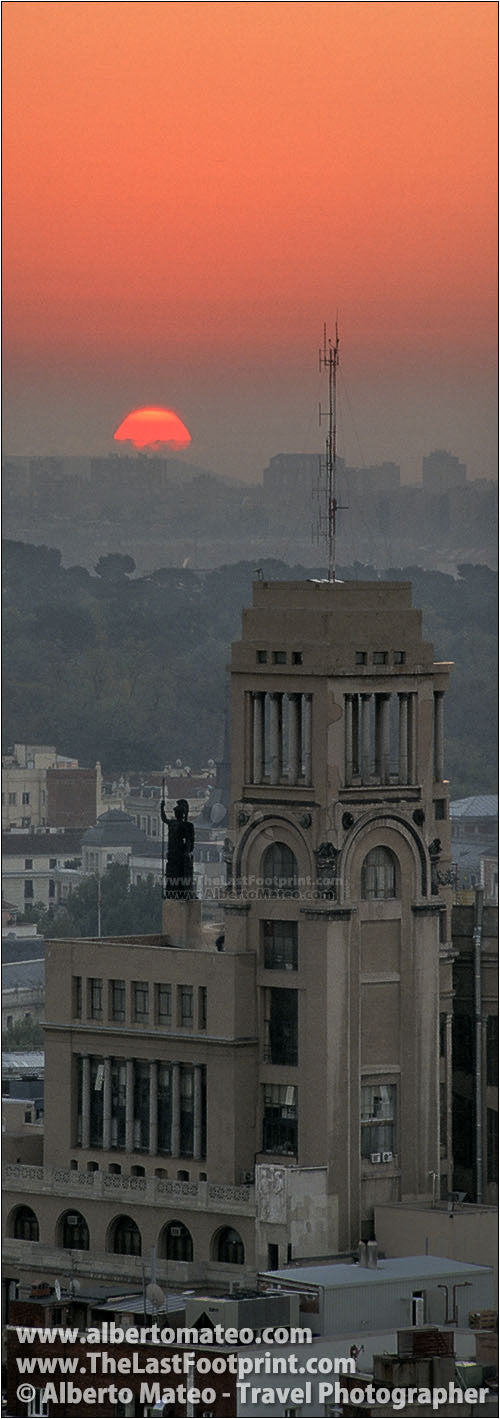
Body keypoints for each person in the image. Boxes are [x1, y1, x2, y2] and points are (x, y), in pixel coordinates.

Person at [160, 797, 195, 899]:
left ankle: (179, 892)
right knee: (172, 873)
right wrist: (161, 808)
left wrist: (187, 851)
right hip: (173, 853)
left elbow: (189, 840)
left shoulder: (182, 825)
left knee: (177, 873)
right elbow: (164, 819)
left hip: (178, 853)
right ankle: (172, 891)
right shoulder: (175, 823)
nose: (176, 814)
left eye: (177, 813)